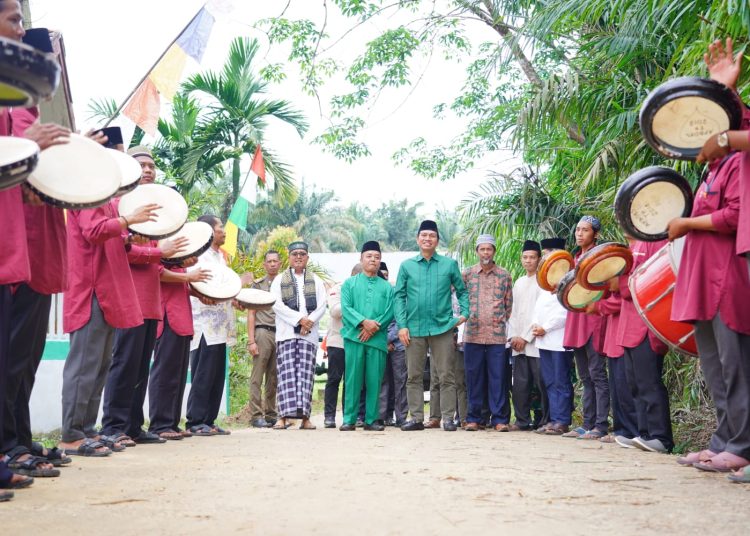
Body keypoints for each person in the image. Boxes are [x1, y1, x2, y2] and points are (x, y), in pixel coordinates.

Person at [59, 171, 158, 455]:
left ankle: (87, 430)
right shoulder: (88, 191)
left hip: (107, 292)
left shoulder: (105, 198)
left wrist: (126, 235)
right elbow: (93, 231)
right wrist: (128, 221)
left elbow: (110, 237)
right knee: (84, 367)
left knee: (100, 366)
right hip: (91, 290)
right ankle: (71, 434)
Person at [667, 149, 750, 472]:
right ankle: (723, 441)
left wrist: (687, 222)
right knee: (715, 367)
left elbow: (735, 215)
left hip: (725, 275)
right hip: (700, 279)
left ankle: (741, 444)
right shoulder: (709, 174)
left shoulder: (736, 163)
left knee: (736, 366)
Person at [100, 146, 188, 445]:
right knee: (124, 362)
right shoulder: (119, 205)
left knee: (140, 365)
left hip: (151, 299)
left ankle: (134, 426)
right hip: (129, 296)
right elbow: (122, 251)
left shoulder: (158, 212)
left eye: (151, 165)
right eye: (142, 165)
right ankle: (112, 426)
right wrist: (157, 253)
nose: (148, 170)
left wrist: (163, 254)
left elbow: (155, 256)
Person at [395, 220, 469, 431]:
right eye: (424, 235)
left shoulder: (449, 265)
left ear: (437, 240)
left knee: (446, 375)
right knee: (414, 376)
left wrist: (464, 313)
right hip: (414, 328)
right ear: (417, 238)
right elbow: (399, 296)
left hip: (443, 327)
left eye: (432, 235)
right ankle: (417, 418)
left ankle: (447, 419)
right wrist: (402, 325)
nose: (427, 239)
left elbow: (462, 291)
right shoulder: (407, 266)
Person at [612, 238, 673, 453]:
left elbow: (649, 282)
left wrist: (618, 283)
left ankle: (661, 437)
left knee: (649, 382)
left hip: (647, 323)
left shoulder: (657, 240)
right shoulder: (631, 246)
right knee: (635, 384)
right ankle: (644, 433)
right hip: (629, 325)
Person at [148, 258, 211, 439]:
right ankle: (160, 424)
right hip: (168, 314)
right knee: (164, 372)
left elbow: (181, 285)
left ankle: (171, 422)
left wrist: (197, 293)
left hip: (182, 316)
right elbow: (158, 272)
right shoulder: (162, 249)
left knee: (179, 374)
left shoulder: (177, 259)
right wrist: (189, 276)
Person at [185, 215, 237, 436]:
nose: (224, 231)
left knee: (216, 375)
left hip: (221, 325)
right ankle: (195, 421)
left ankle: (209, 419)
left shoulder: (219, 258)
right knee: (203, 374)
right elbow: (202, 285)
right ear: (208, 232)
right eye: (220, 228)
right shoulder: (198, 257)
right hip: (204, 324)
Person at [270, 241, 327, 430]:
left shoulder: (316, 281)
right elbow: (276, 305)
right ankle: (282, 417)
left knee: (305, 376)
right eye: (295, 254)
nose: (299, 257)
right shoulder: (279, 280)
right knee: (286, 376)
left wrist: (308, 322)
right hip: (286, 334)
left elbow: (321, 305)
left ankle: (305, 418)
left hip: (308, 336)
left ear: (307, 257)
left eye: (302, 253)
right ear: (289, 257)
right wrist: (299, 320)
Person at [562, 216, 609, 440]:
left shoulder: (600, 256)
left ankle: (601, 425)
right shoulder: (575, 257)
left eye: (585, 230)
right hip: (577, 321)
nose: (579, 234)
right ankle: (587, 424)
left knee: (597, 374)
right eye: (578, 230)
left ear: (595, 234)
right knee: (584, 376)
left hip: (594, 320)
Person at [461, 234, 513, 432]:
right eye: (482, 249)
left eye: (489, 249)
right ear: (477, 251)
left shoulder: (504, 275)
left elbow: (508, 305)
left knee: (498, 377)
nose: (485, 253)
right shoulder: (467, 274)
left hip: (496, 336)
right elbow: (460, 301)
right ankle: (474, 418)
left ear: (494, 251)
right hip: (472, 334)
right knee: (473, 377)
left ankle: (499, 419)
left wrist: (497, 321)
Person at [340, 241, 394, 431]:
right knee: (353, 380)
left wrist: (373, 327)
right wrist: (364, 323)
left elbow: (390, 312)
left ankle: (372, 420)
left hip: (377, 340)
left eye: (377, 257)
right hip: (354, 338)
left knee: (374, 381)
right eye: (369, 256)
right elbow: (346, 309)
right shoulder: (349, 284)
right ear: (361, 259)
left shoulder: (387, 288)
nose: (373, 260)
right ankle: (349, 419)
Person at [532, 238, 574, 435]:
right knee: (548, 380)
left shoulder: (569, 277)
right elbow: (538, 307)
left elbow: (565, 310)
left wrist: (545, 328)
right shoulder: (545, 279)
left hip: (559, 338)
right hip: (543, 340)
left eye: (548, 251)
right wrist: (535, 325)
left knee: (560, 380)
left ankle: (562, 420)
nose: (545, 256)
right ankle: (553, 419)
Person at [507, 240, 547, 431]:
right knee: (520, 385)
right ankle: (522, 420)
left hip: (535, 342)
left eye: (532, 257)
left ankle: (544, 420)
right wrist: (514, 335)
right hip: (518, 343)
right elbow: (513, 312)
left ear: (539, 259)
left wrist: (525, 337)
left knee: (541, 383)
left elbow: (539, 314)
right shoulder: (519, 282)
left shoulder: (543, 282)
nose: (528, 261)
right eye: (525, 257)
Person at [247, 251, 281, 428]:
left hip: (281, 333)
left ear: (280, 264)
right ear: (264, 265)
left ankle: (270, 414)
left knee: (273, 377)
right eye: (269, 261)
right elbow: (251, 313)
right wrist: (251, 341)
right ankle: (255, 415)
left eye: (276, 261)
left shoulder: (285, 284)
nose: (273, 264)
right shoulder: (258, 286)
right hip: (262, 332)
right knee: (257, 376)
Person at [323, 273, 347, 428]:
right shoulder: (338, 289)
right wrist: (353, 302)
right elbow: (335, 311)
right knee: (334, 379)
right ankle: (329, 416)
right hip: (337, 341)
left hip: (356, 341)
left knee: (351, 382)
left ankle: (348, 416)